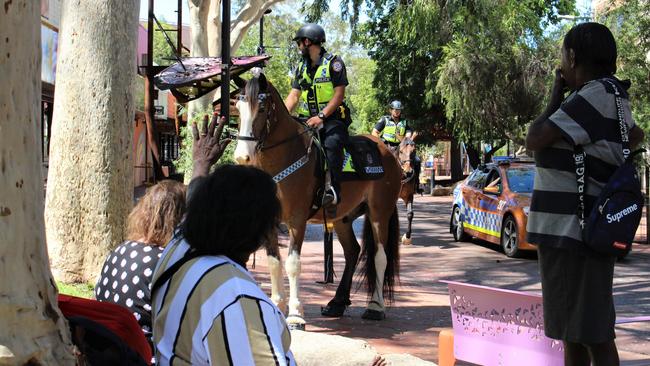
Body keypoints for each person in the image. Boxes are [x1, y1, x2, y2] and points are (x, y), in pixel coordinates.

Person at [525, 23, 644, 366]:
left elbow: (535, 138)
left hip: (575, 234)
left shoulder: (595, 94)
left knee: (594, 335)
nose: (560, 65)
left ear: (573, 57)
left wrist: (554, 96)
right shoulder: (608, 95)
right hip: (571, 234)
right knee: (574, 334)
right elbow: (632, 136)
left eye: (562, 56)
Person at [151, 114, 295, 365]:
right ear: (260, 234)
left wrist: (200, 164)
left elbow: (193, 208)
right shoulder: (236, 297)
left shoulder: (178, 249)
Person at [95, 179, 186, 348]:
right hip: (144, 354)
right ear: (179, 220)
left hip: (109, 350)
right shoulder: (165, 263)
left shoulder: (119, 251)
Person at [284, 23, 351, 209]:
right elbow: (294, 96)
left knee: (331, 144)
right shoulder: (300, 67)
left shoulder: (334, 63)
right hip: (306, 120)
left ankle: (333, 190)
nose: (298, 48)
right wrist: (282, 115)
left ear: (307, 42)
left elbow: (339, 95)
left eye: (299, 43)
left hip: (332, 119)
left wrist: (321, 116)